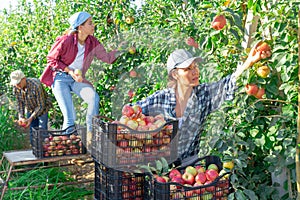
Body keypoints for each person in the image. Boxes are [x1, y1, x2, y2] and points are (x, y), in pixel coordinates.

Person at [134, 43, 271, 162]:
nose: (195, 72)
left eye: (195, 67)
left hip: (188, 167)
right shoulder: (160, 99)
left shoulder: (203, 95)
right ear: (175, 75)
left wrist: (250, 62)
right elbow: (132, 112)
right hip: (160, 167)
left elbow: (228, 84)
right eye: (188, 69)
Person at [40, 11, 124, 148]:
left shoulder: (92, 42)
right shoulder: (66, 40)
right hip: (61, 78)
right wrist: (70, 71)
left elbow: (107, 59)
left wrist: (121, 49)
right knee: (70, 116)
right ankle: (68, 148)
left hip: (77, 80)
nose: (93, 26)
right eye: (90, 23)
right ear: (80, 27)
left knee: (93, 98)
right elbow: (51, 59)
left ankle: (91, 136)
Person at [10, 70, 52, 146]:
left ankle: (44, 150)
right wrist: (21, 117)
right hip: (30, 108)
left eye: (18, 83)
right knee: (33, 132)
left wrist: (30, 119)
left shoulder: (36, 85)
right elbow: (20, 104)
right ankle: (35, 150)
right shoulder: (16, 88)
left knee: (42, 131)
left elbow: (41, 106)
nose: (17, 85)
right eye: (15, 83)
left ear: (24, 79)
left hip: (42, 108)